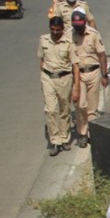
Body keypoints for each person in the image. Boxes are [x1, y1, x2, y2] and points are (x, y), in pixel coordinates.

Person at [39, 16, 80, 156]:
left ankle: (64, 138)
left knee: (65, 109)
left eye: (58, 30)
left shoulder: (69, 43)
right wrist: (43, 77)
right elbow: (42, 60)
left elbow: (75, 66)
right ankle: (55, 140)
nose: (55, 32)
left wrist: (76, 87)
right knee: (50, 110)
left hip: (64, 78)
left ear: (62, 29)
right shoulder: (43, 40)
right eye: (52, 29)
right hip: (48, 77)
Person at [69, 10, 108, 148]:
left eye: (80, 25)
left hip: (94, 72)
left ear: (84, 23)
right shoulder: (69, 35)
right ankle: (82, 133)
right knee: (80, 105)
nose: (78, 28)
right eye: (76, 26)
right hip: (78, 74)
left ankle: (92, 133)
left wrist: (104, 74)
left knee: (92, 107)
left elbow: (102, 55)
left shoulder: (93, 34)